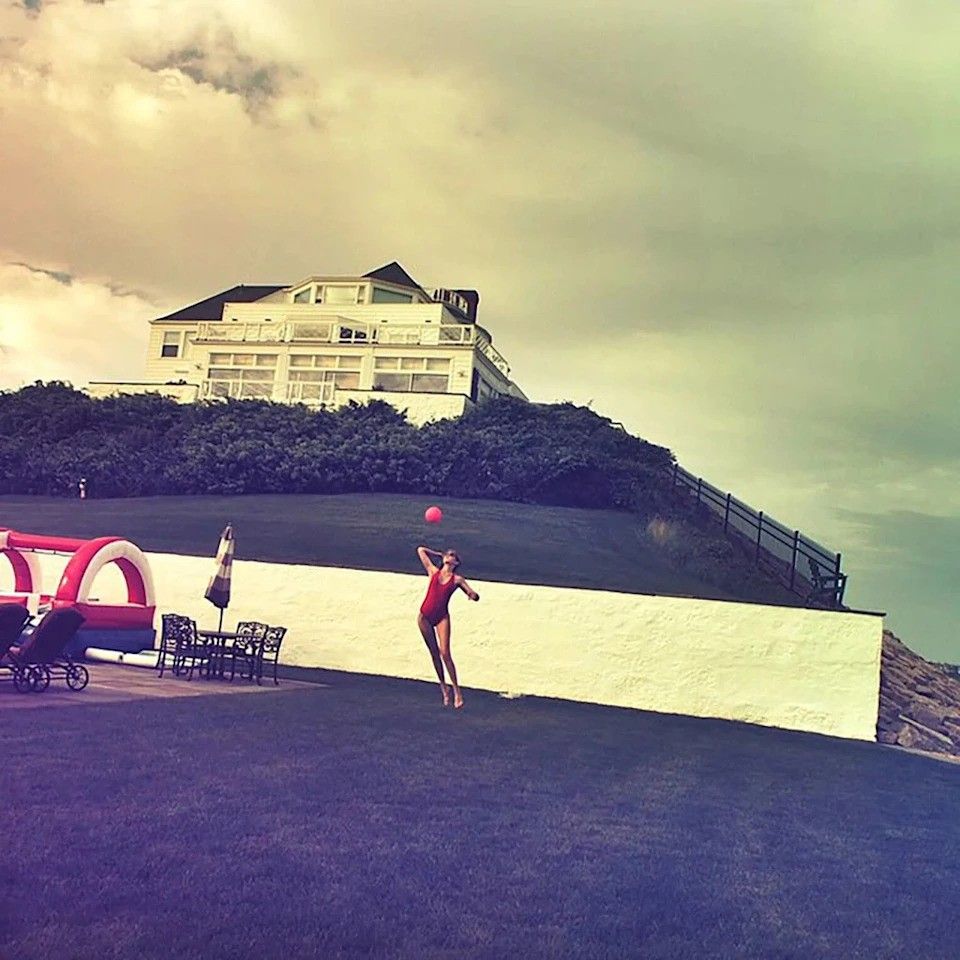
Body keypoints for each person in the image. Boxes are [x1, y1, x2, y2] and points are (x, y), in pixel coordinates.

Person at [416, 545, 479, 709]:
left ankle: (457, 691)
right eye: (448, 554)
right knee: (434, 653)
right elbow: (420, 550)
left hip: (442, 617)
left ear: (456, 562)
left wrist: (472, 595)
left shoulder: (457, 579)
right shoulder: (433, 571)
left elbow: (472, 593)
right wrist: (437, 553)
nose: (449, 556)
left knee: (445, 652)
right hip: (425, 617)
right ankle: (444, 687)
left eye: (452, 556)